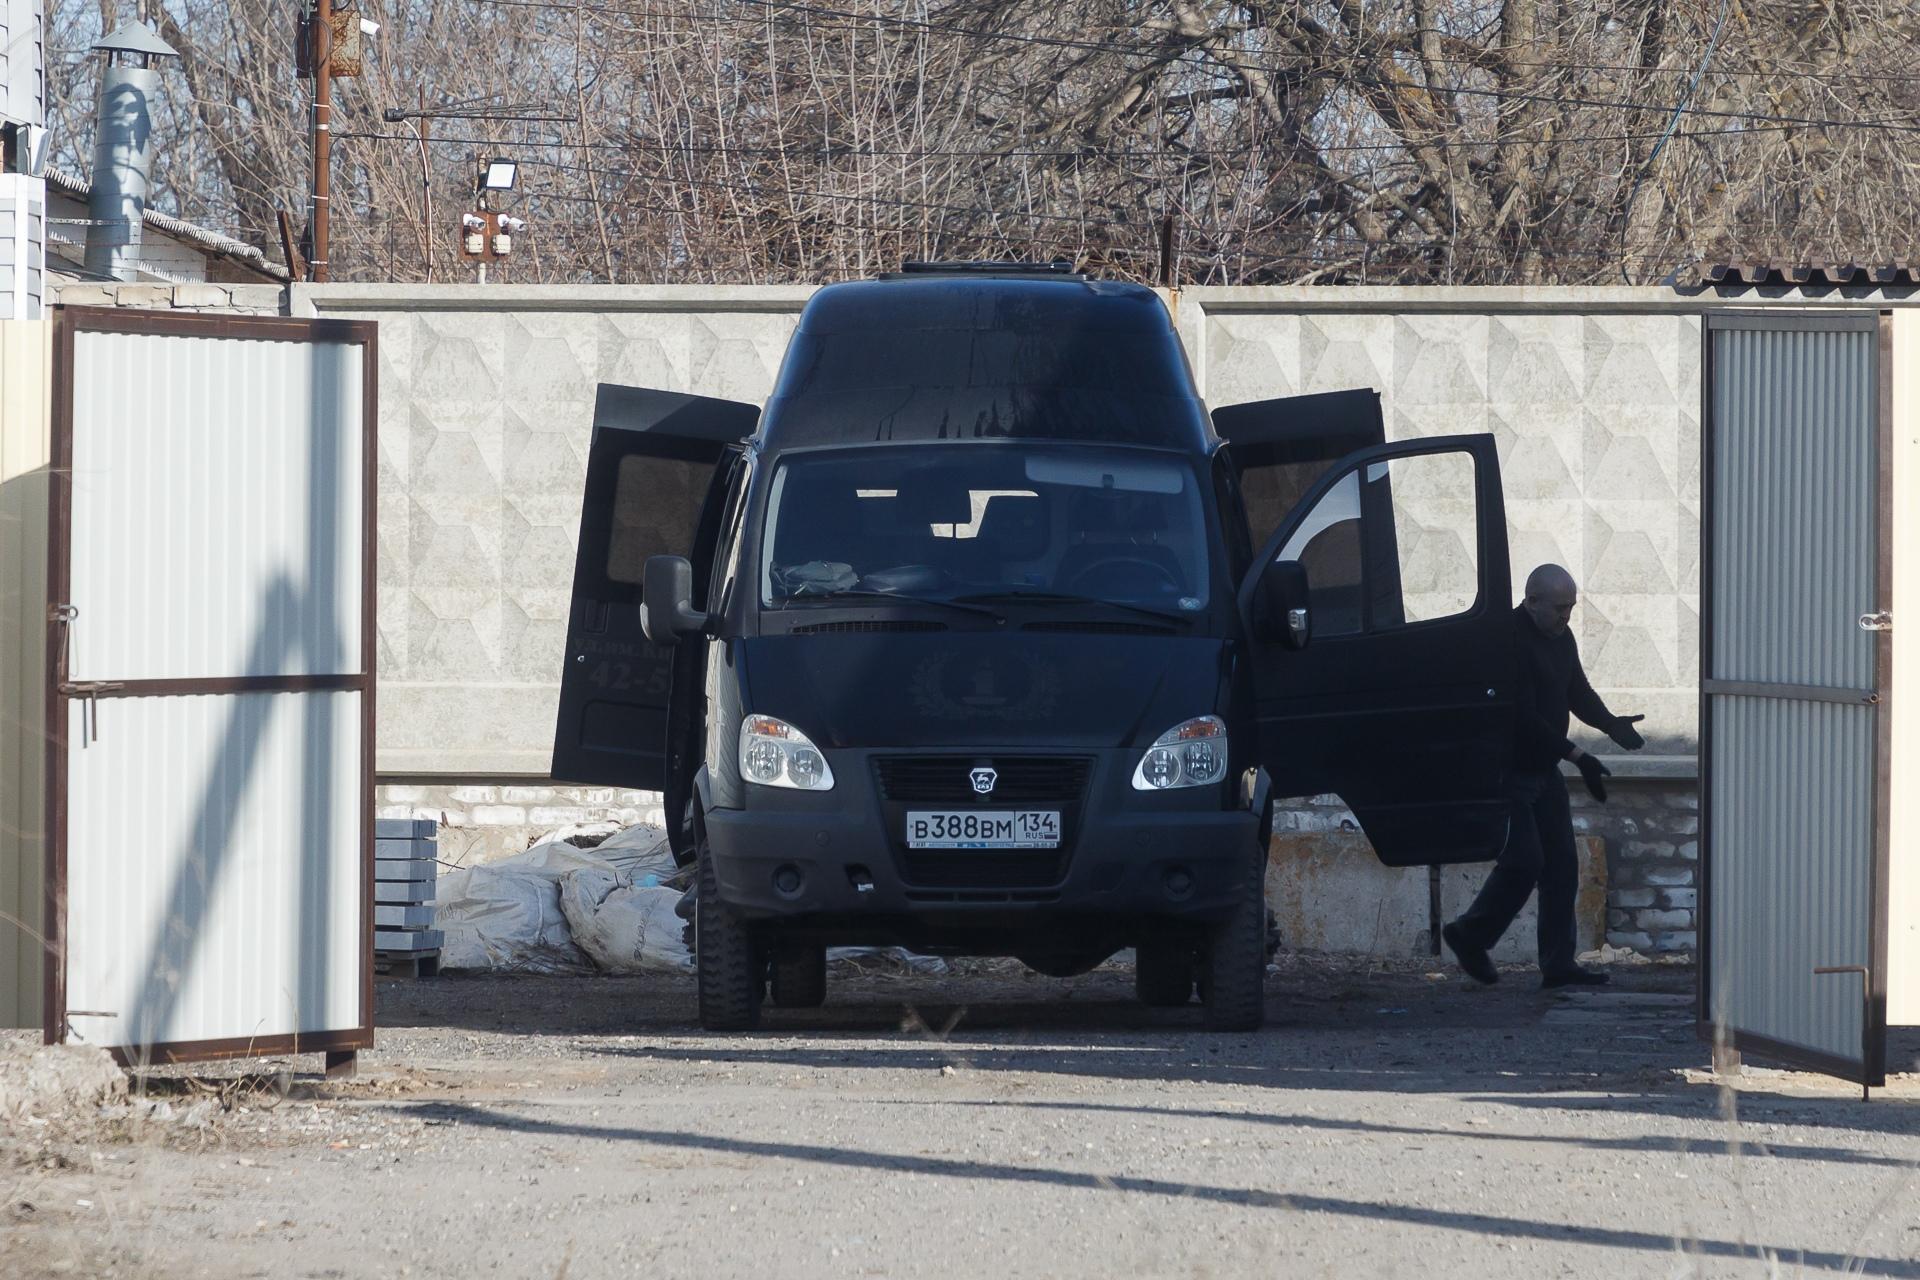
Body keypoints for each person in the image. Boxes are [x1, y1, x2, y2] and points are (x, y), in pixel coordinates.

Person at [1442, 564, 1645, 989]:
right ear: (1531, 602)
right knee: (1524, 860)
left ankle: (1558, 966)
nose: (1565, 618)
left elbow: (1577, 692)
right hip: (1507, 770)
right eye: (1558, 609)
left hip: (1542, 769)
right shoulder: (1509, 640)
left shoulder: (1560, 637)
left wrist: (1611, 724)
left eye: (1571, 609)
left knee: (1561, 865)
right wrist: (1576, 755)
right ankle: (1470, 934)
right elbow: (1523, 717)